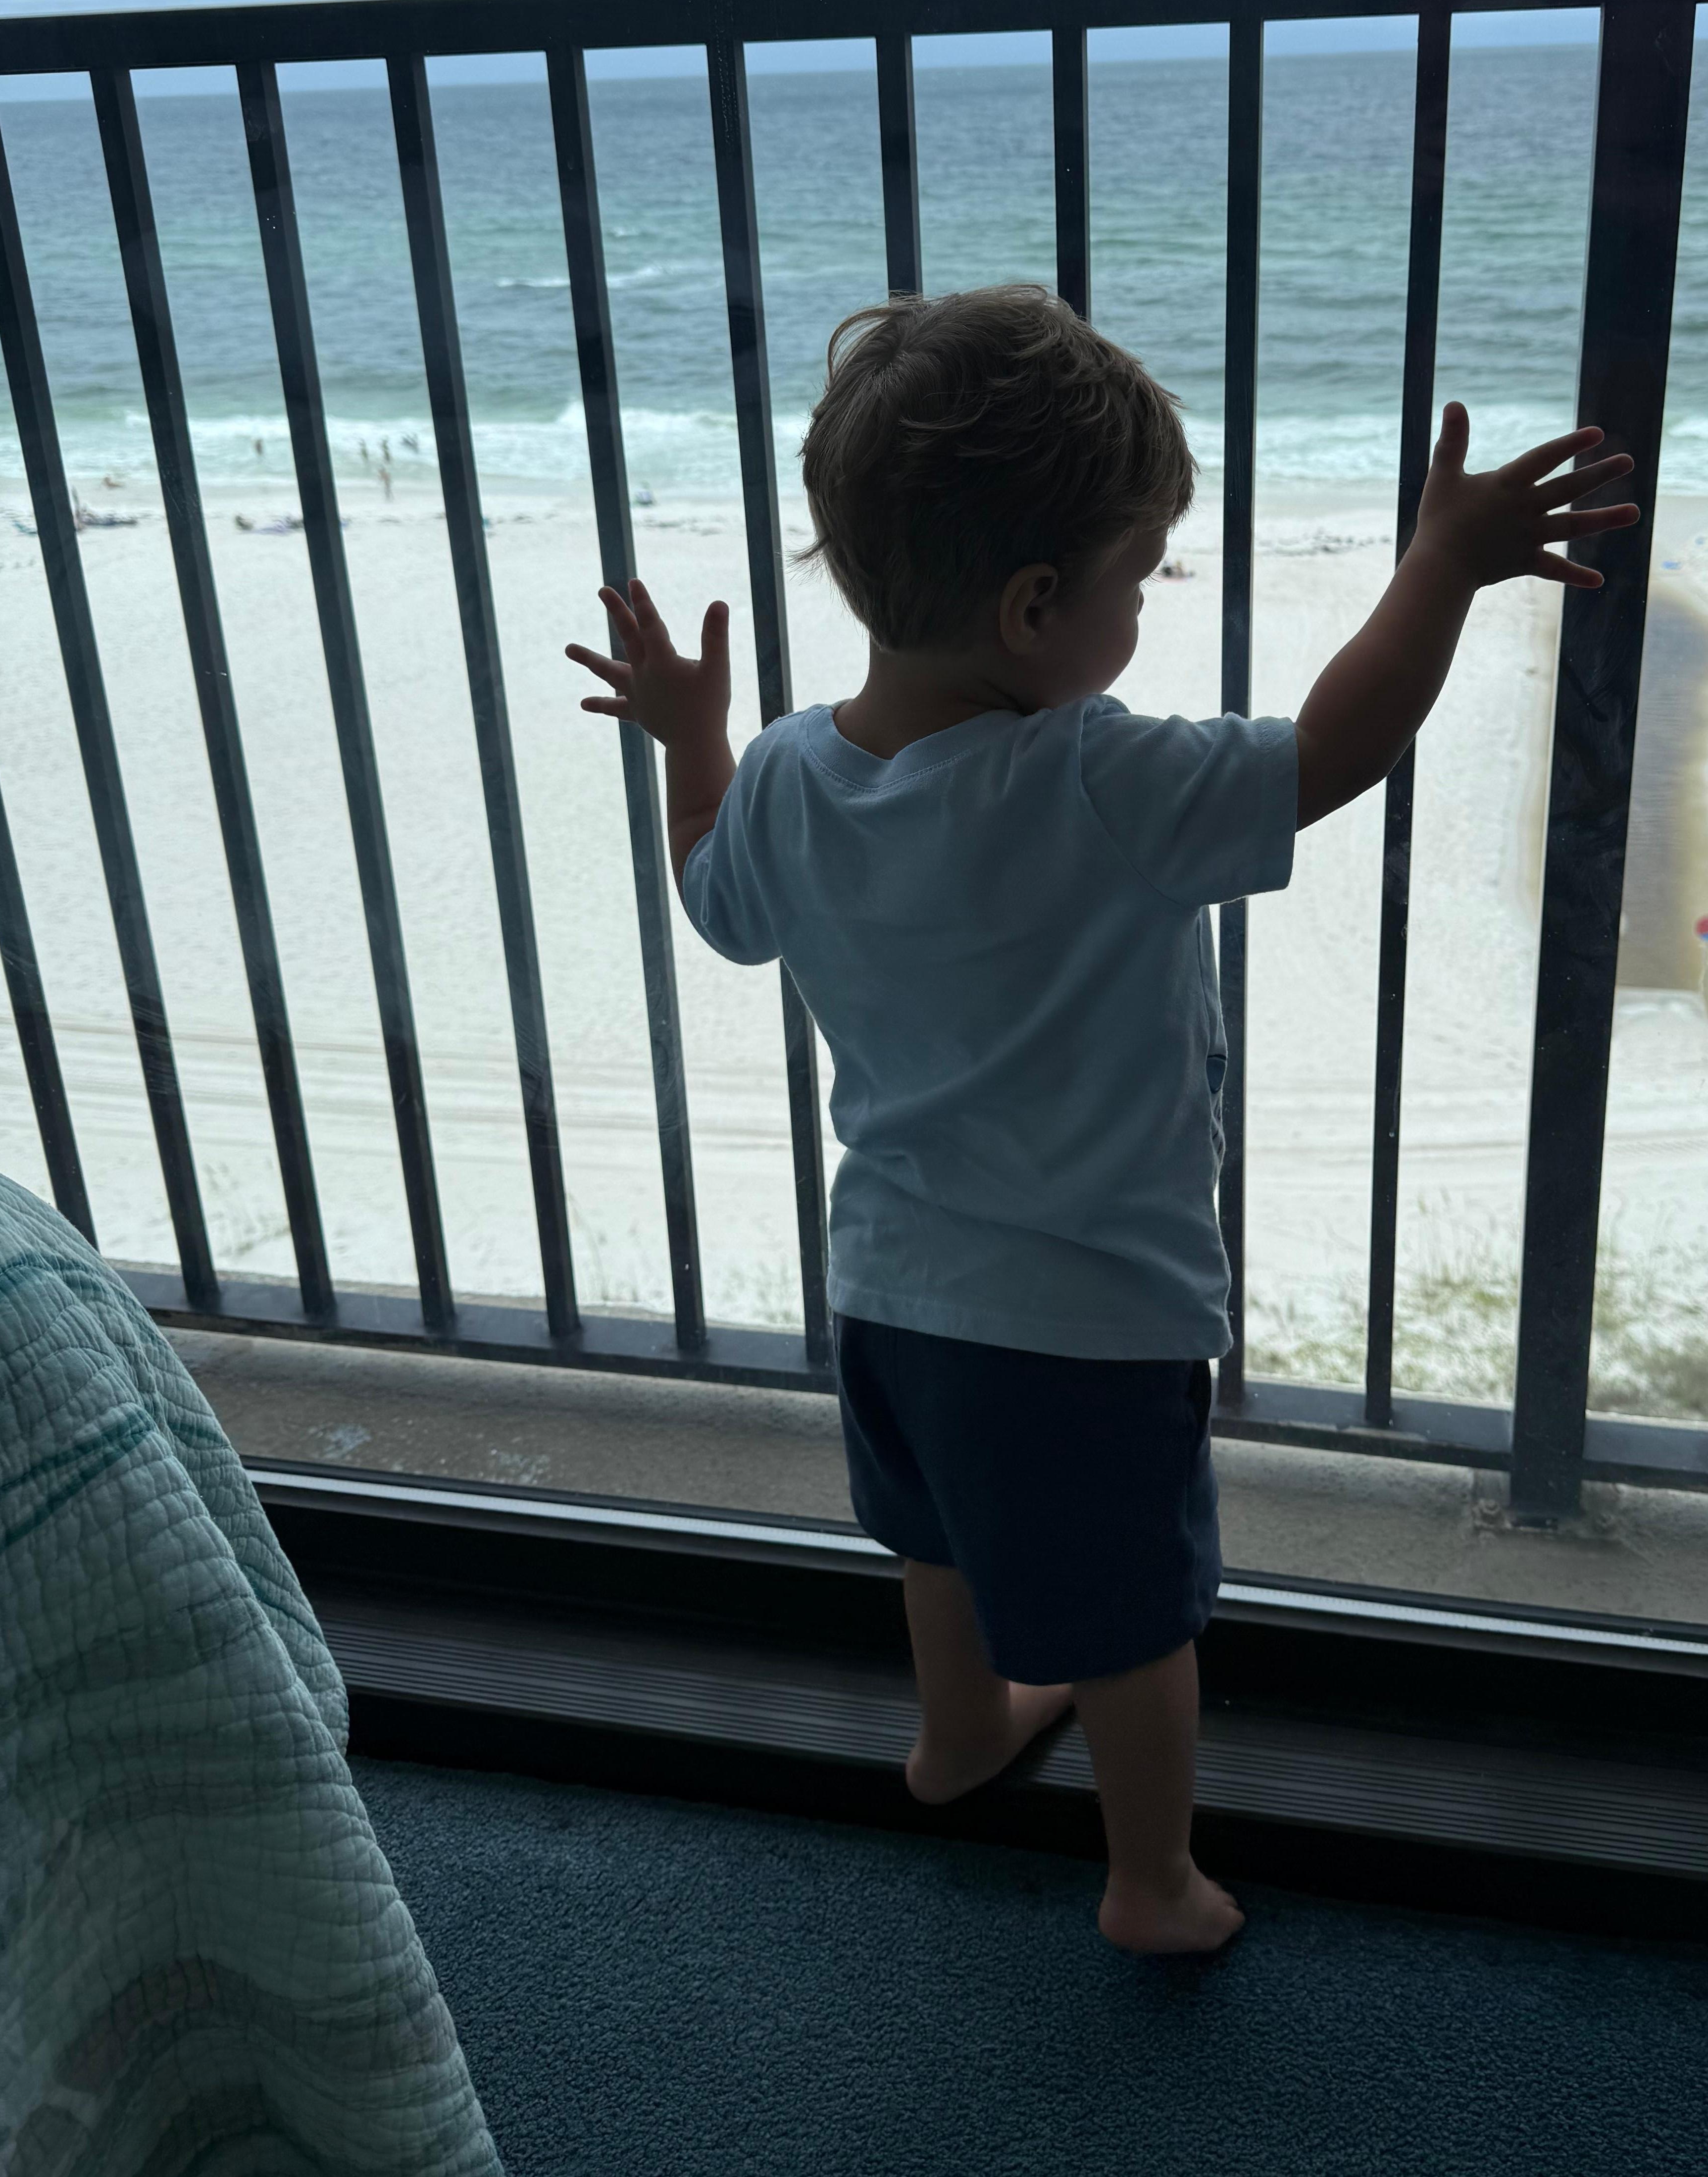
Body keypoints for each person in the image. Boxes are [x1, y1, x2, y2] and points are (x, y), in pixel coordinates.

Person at [565, 285, 1635, 1956]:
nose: (1143, 606)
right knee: (1134, 1614)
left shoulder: (784, 774)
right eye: (1140, 577)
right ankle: (1150, 1884)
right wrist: (1441, 566)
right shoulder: (1092, 777)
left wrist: (691, 738)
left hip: (889, 1289)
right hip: (1086, 1315)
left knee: (937, 1537)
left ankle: (957, 1738)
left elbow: (715, 899)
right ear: (1033, 608)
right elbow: (1330, 752)